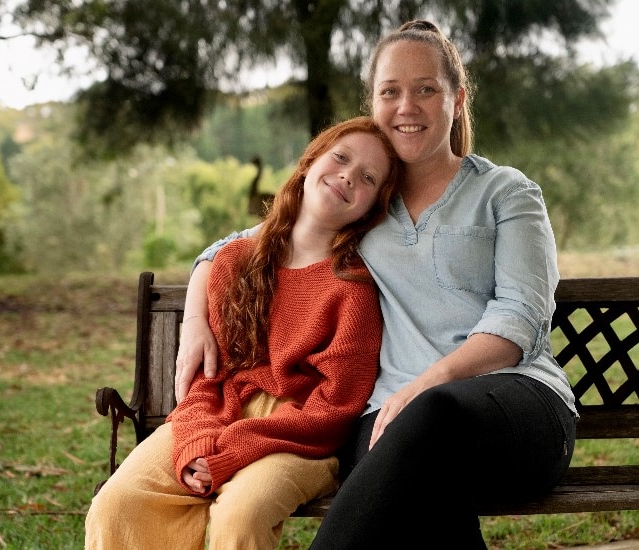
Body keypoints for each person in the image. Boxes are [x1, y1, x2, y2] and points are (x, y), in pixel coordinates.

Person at [177, 20, 579, 549]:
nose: (406, 106)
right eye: (390, 91)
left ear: (457, 100)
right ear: (373, 103)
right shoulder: (361, 203)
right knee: (427, 489)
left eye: (425, 90)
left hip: (513, 408)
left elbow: (519, 318)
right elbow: (245, 241)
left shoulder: (506, 193)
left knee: (431, 419)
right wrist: (193, 318)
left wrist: (428, 383)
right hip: (386, 423)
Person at [84, 115, 402, 550]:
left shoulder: (353, 289)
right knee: (117, 505)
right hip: (215, 413)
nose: (347, 176)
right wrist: (197, 441)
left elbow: (334, 410)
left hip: (299, 436)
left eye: (367, 177)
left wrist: (232, 449)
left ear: (372, 207)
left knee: (242, 513)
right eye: (341, 158)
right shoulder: (236, 262)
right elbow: (205, 379)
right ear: (309, 163)